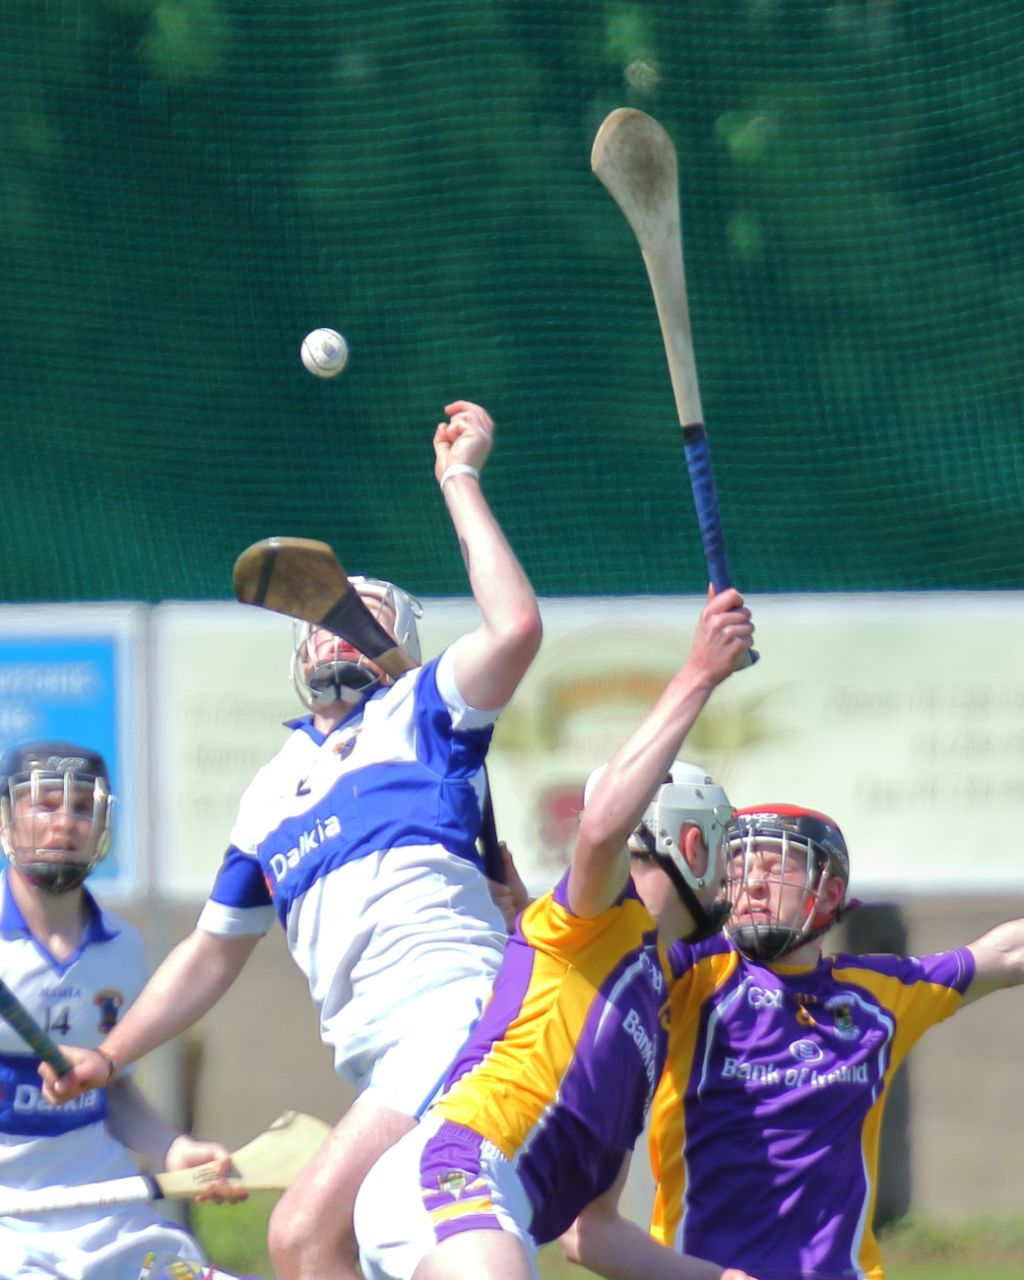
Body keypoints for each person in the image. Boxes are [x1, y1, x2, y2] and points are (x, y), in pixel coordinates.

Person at [42, 400, 544, 1280]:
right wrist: (111, 1054)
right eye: (324, 617)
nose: (337, 625)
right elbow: (209, 955)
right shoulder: (270, 793)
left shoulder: (423, 713)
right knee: (403, 1247)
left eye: (365, 617)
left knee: (304, 1232)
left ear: (405, 654)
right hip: (376, 1051)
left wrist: (458, 478)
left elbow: (515, 630)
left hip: (457, 1014)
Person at [354, 586, 760, 1280]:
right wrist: (698, 673)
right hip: (457, 1170)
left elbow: (591, 1234)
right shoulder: (597, 918)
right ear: (689, 842)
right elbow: (603, 825)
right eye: (722, 851)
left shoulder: (646, 1014)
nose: (730, 878)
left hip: (483, 1218)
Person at [644, 802, 1024, 1280]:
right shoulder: (688, 974)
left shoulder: (879, 995)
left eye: (775, 864)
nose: (752, 885)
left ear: (830, 893)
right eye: (736, 868)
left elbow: (1009, 953)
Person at [0, 740, 249, 1280]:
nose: (64, 821)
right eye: (44, 803)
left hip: (107, 1209)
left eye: (82, 806)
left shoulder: (123, 949)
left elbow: (112, 1091)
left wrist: (171, 1148)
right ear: (6, 819)